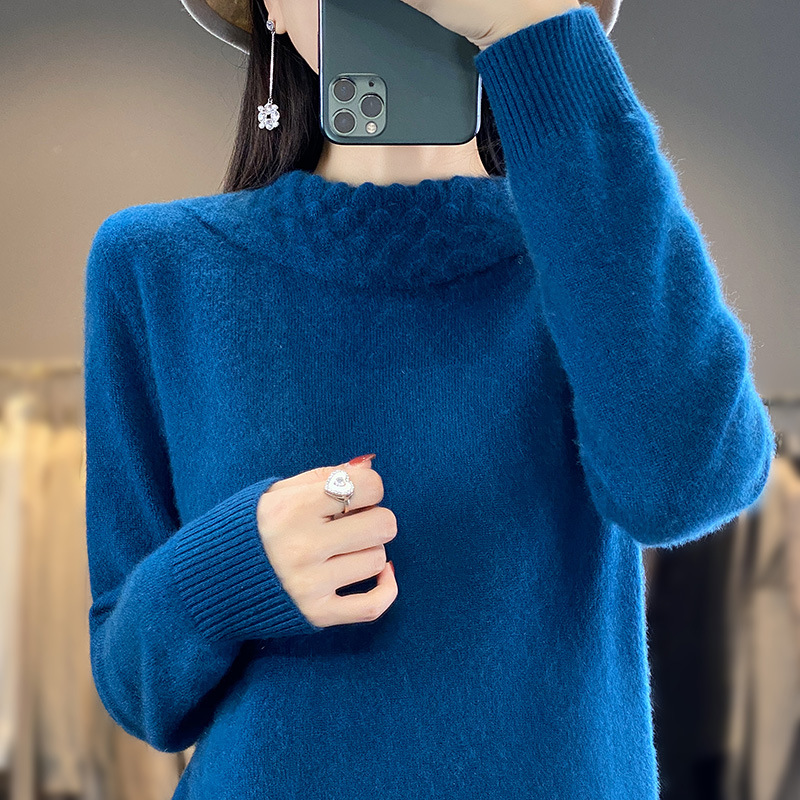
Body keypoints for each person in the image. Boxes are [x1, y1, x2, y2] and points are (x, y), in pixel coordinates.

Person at [82, 1, 776, 798]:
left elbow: (687, 483)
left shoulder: (597, 252)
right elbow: (135, 688)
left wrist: (538, 33)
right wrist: (239, 566)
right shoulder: (155, 267)